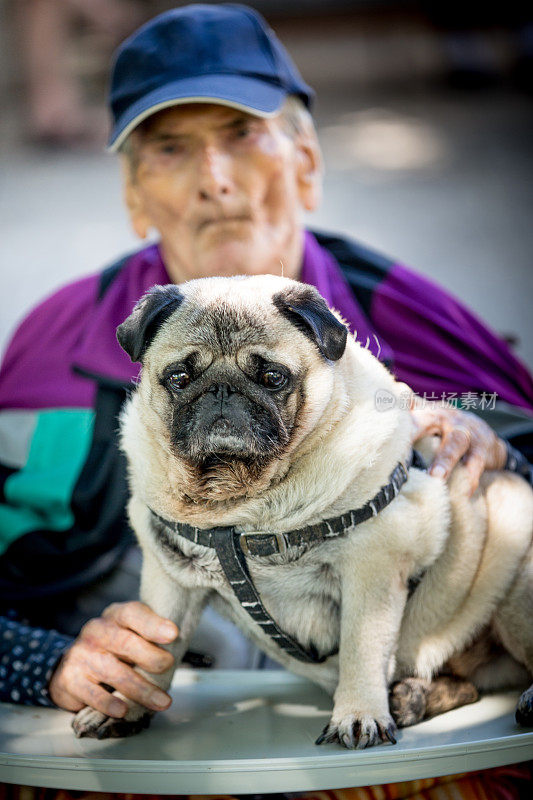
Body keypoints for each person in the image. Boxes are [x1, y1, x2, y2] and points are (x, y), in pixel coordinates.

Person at [1, 2, 532, 729]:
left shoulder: (405, 314)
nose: (214, 178)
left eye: (242, 135)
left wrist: (500, 451)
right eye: (169, 148)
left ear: (306, 166)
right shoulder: (53, 348)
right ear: (132, 196)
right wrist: (47, 663)